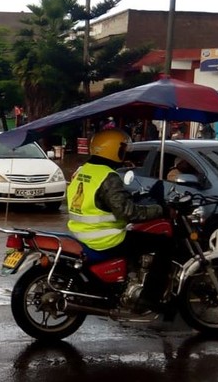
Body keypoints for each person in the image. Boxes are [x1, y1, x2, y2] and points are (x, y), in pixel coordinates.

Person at [66, 128, 170, 311]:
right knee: (165, 245)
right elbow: (128, 213)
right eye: (122, 148)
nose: (125, 152)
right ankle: (149, 299)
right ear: (112, 149)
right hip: (105, 239)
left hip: (79, 234)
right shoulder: (108, 176)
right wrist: (160, 209)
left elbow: (104, 200)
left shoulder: (84, 170)